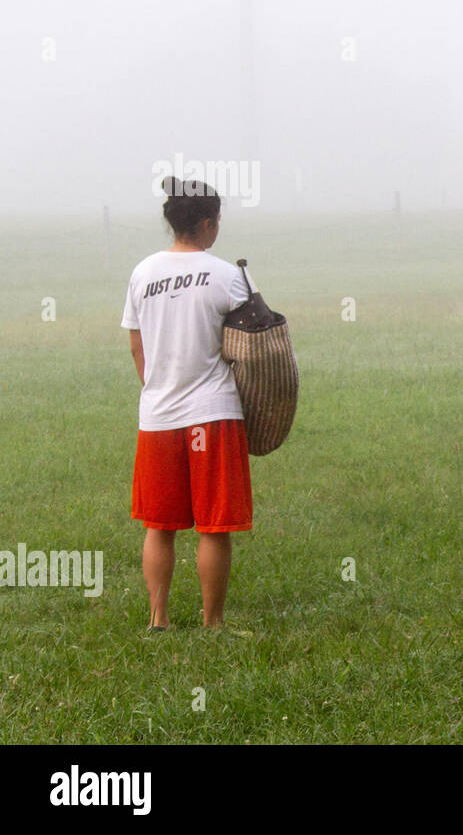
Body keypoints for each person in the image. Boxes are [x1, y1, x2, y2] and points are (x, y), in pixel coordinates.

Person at [122, 178, 256, 630]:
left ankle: (158, 620)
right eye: (216, 221)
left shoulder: (142, 273)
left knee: (159, 524)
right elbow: (260, 345)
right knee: (213, 526)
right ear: (205, 223)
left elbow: (137, 347)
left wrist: (160, 386)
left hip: (158, 416)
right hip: (213, 416)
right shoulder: (229, 276)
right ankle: (212, 623)